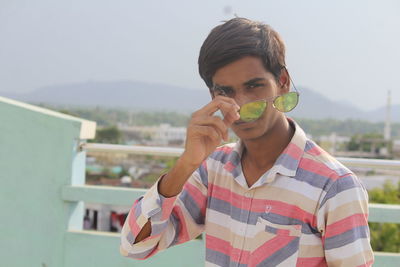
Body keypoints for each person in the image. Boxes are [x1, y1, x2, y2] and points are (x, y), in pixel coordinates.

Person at [120, 17, 374, 266]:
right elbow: (135, 246)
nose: (240, 106)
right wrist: (186, 164)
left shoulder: (333, 187)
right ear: (213, 96)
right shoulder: (212, 170)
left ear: (282, 82)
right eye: (226, 92)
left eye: (254, 86)